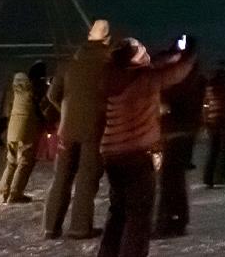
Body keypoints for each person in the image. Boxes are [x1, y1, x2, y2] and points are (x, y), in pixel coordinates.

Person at [98, 38, 197, 257]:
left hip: (111, 154)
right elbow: (175, 73)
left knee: (118, 212)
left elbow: (156, 64)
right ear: (133, 58)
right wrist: (189, 54)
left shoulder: (114, 76)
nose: (146, 52)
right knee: (138, 217)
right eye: (142, 51)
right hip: (137, 154)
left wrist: (172, 53)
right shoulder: (145, 80)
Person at [45, 20, 113, 240]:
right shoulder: (109, 66)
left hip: (66, 130)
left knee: (61, 177)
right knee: (86, 178)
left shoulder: (68, 64)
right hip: (95, 130)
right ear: (107, 39)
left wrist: (66, 112)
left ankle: (51, 227)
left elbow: (52, 96)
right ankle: (80, 227)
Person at [154, 54, 206, 238]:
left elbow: (169, 104)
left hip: (174, 133)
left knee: (170, 180)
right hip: (182, 132)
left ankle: (167, 222)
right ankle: (177, 220)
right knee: (175, 179)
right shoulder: (194, 79)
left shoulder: (180, 82)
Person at [0, 62, 52, 204]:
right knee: (25, 162)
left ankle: (5, 191)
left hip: (13, 128)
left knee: (11, 161)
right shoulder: (36, 88)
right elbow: (44, 105)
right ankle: (15, 194)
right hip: (27, 129)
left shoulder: (18, 88)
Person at [201, 60, 225, 189]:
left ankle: (208, 178)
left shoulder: (211, 82)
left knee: (213, 150)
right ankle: (219, 178)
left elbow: (206, 102)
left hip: (212, 121)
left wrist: (206, 119)